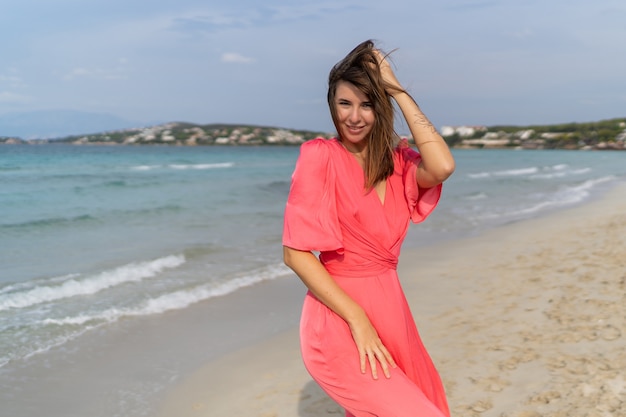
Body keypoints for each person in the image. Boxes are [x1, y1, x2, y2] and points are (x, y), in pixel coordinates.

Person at [282, 40, 455, 417]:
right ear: (332, 106)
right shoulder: (320, 157)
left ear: (381, 108)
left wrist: (396, 90)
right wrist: (357, 319)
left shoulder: (398, 164)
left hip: (393, 312)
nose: (355, 116)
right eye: (345, 103)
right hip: (339, 316)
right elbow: (295, 253)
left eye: (367, 104)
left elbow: (441, 166)